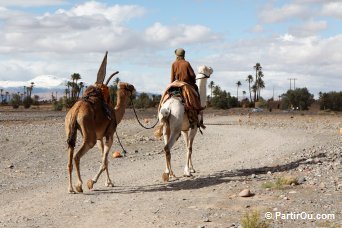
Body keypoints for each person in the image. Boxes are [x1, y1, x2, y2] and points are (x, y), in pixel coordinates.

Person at [170, 48, 205, 129]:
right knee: (196, 90)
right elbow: (193, 75)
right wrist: (193, 81)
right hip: (186, 85)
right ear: (183, 55)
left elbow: (172, 78)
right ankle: (198, 109)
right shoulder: (186, 63)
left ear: (177, 55)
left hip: (176, 85)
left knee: (167, 93)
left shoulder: (173, 64)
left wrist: (172, 84)